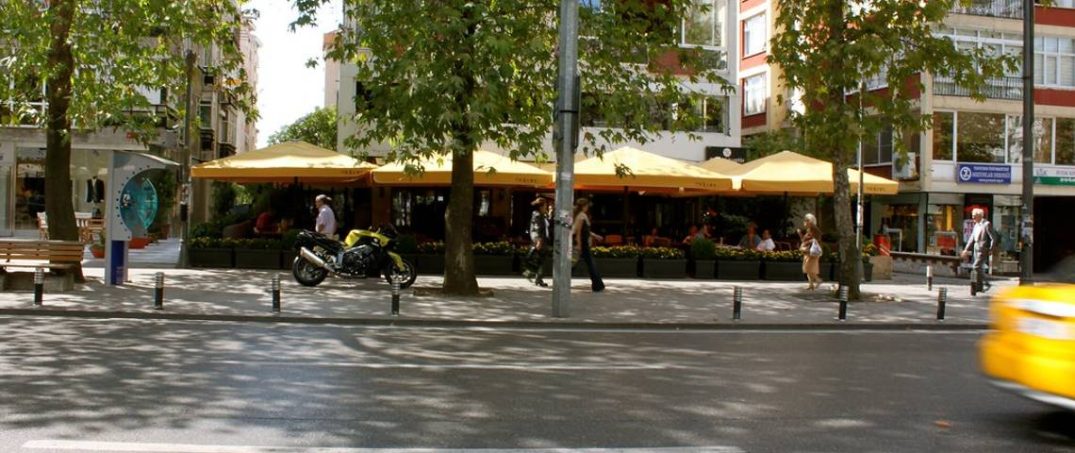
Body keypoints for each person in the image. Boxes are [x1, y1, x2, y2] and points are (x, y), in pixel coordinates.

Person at [573, 198, 605, 292]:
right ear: (583, 206)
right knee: (590, 264)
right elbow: (578, 232)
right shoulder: (581, 216)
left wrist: (595, 236)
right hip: (583, 243)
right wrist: (579, 245)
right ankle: (598, 285)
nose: (588, 207)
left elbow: (584, 230)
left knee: (580, 263)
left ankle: (598, 285)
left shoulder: (579, 215)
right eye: (587, 206)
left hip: (583, 242)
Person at [961, 208, 996, 292]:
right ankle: (979, 287)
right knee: (979, 268)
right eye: (972, 216)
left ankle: (986, 282)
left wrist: (991, 249)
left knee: (975, 267)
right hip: (976, 247)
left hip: (983, 248)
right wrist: (966, 250)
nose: (973, 218)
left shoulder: (987, 224)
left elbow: (993, 238)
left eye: (974, 216)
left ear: (980, 216)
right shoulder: (976, 225)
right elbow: (971, 238)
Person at [522, 197, 551, 287]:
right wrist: (538, 241)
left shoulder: (540, 214)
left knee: (539, 260)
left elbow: (545, 225)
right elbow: (537, 228)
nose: (546, 206)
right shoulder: (537, 215)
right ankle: (537, 278)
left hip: (542, 240)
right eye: (545, 205)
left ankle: (533, 276)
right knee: (541, 260)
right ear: (541, 206)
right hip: (540, 240)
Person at [797, 213, 823, 290]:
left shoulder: (814, 229)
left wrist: (810, 241)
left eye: (806, 220)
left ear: (810, 221)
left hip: (812, 252)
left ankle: (818, 280)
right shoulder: (808, 230)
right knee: (807, 268)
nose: (804, 222)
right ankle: (811, 285)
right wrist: (800, 234)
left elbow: (818, 238)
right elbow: (803, 240)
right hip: (807, 251)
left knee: (809, 268)